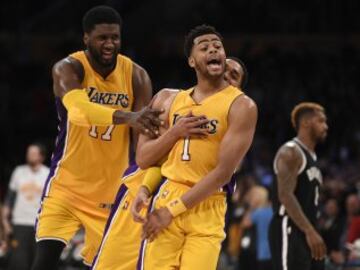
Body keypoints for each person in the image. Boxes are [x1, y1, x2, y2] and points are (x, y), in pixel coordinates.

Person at [32, 6, 161, 270]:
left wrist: (146, 186)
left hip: (111, 195)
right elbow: (78, 112)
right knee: (42, 263)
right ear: (86, 38)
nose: (110, 43)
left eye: (115, 37)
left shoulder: (137, 76)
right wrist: (129, 116)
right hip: (66, 188)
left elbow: (144, 144)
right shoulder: (68, 68)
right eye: (102, 37)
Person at [90, 56, 248, 270]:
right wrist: (174, 133)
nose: (225, 75)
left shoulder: (238, 123)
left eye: (234, 75)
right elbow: (144, 157)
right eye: (223, 69)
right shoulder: (167, 98)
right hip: (142, 193)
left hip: (194, 205)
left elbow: (221, 175)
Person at [131, 24, 257, 270]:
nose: (213, 50)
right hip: (169, 193)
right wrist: (146, 188)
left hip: (207, 203)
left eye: (218, 46)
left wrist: (172, 211)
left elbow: (222, 173)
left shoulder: (241, 106)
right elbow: (151, 159)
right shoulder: (174, 100)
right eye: (205, 47)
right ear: (191, 61)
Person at [269, 102, 328, 270]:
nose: (326, 126)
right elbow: (285, 195)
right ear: (306, 122)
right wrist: (309, 231)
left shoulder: (313, 158)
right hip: (290, 227)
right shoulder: (291, 152)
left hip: (309, 229)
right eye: (321, 121)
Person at [2, 143, 49, 270]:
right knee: (17, 263)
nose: (29, 155)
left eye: (33, 153)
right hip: (19, 224)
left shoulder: (48, 174)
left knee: (37, 264)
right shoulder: (19, 171)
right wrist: (6, 223)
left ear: (41, 156)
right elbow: (9, 199)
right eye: (28, 153)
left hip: (39, 225)